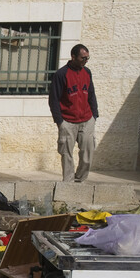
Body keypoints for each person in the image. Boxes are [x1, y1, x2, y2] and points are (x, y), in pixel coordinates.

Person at [49, 44, 98, 182]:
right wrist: (60, 122)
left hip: (87, 119)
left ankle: (81, 179)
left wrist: (94, 115)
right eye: (83, 58)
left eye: (87, 58)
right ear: (73, 57)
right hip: (68, 121)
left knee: (88, 152)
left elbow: (91, 95)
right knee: (66, 153)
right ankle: (69, 183)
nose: (85, 61)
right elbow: (54, 99)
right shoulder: (61, 74)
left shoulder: (87, 72)